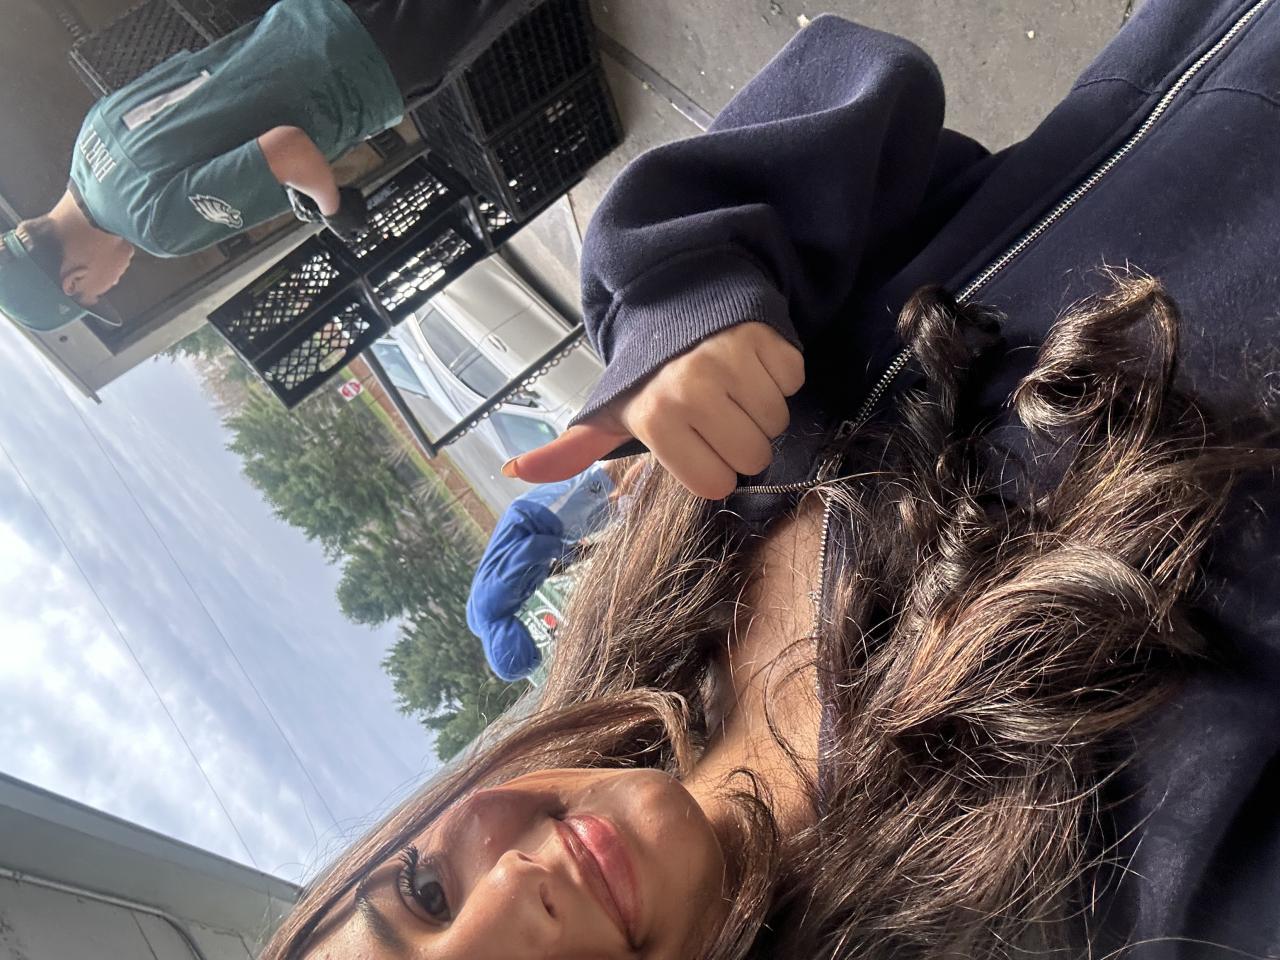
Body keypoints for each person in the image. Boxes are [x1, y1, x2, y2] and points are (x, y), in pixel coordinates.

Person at [262, 1, 1280, 957]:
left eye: (426, 894)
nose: (511, 892)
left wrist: (680, 286)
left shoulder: (699, 522)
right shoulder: (1083, 916)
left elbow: (877, 104)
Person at [0, 0, 530, 332]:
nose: (113, 284)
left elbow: (287, 148)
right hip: (311, 16)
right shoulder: (92, 132)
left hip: (366, 68)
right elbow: (216, 87)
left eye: (99, 293)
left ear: (73, 282)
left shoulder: (155, 227)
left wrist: (333, 206)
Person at [467, 464, 617, 681]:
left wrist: (569, 554)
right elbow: (525, 569)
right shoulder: (489, 619)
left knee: (606, 480)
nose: (528, 634)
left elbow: (532, 547)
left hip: (540, 519)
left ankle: (639, 447)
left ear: (514, 642)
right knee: (612, 509)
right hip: (552, 528)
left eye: (527, 641)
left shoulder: (493, 601)